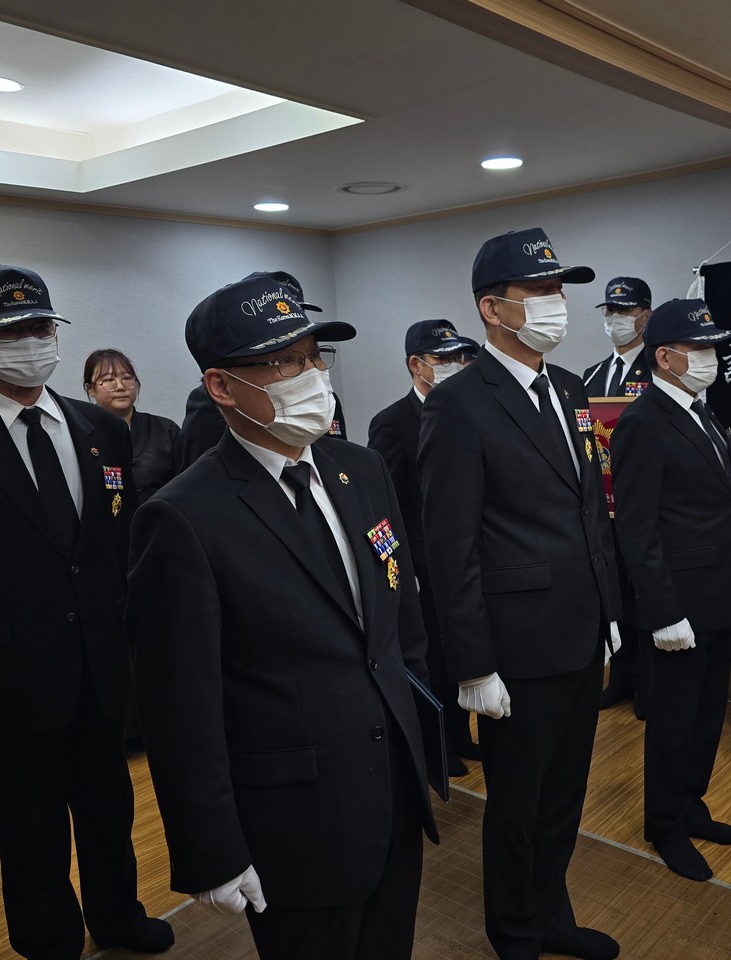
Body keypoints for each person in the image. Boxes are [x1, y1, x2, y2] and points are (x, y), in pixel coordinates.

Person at [125, 273, 436, 960]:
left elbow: (397, 623)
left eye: (314, 356)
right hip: (294, 821)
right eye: (283, 362)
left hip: (392, 795)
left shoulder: (361, 470)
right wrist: (210, 849)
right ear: (221, 386)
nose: (312, 376)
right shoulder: (183, 517)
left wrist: (420, 740)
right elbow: (180, 708)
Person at [0, 263, 172, 960]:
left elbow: (113, 550)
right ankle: (48, 940)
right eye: (9, 331)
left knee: (110, 811)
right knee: (30, 829)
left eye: (40, 326)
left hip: (99, 669)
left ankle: (118, 916)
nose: (30, 341)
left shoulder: (100, 429)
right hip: (5, 677)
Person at [419, 227, 622, 960]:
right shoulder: (458, 404)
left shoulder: (569, 389)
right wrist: (473, 664)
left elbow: (590, 509)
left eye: (558, 289)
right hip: (516, 643)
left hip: (581, 630)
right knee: (518, 800)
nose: (554, 302)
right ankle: (514, 930)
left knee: (565, 793)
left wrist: (610, 611)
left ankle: (551, 914)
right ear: (492, 308)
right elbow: (450, 547)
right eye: (538, 290)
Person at [610, 298, 731, 883]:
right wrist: (663, 611)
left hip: (719, 594)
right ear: (665, 357)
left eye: (714, 347)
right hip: (677, 607)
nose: (712, 358)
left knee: (708, 712)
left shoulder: (702, 411)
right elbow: (636, 530)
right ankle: (664, 824)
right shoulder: (643, 422)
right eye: (701, 348)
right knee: (672, 721)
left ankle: (692, 805)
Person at [367, 319, 479, 775]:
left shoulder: (469, 411)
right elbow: (385, 503)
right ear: (416, 364)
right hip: (421, 564)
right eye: (443, 358)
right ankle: (438, 746)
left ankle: (462, 734)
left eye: (460, 357)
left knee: (463, 652)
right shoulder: (393, 422)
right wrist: (401, 566)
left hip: (466, 558)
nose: (455, 365)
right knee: (432, 657)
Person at [174, 270, 348, 470]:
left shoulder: (362, 463)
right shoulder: (215, 400)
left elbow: (338, 453)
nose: (312, 371)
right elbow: (203, 468)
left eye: (315, 354)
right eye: (286, 359)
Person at [582, 277, 653, 715]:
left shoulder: (658, 370)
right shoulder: (591, 375)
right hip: (602, 507)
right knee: (614, 595)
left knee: (644, 594)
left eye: (624, 311)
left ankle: (647, 683)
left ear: (646, 315)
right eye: (609, 311)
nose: (615, 320)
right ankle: (621, 677)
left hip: (643, 503)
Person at [83, 349, 180, 502]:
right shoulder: (80, 432)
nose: (120, 386)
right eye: (109, 380)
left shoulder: (165, 430)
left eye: (127, 378)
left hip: (158, 515)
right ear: (90, 389)